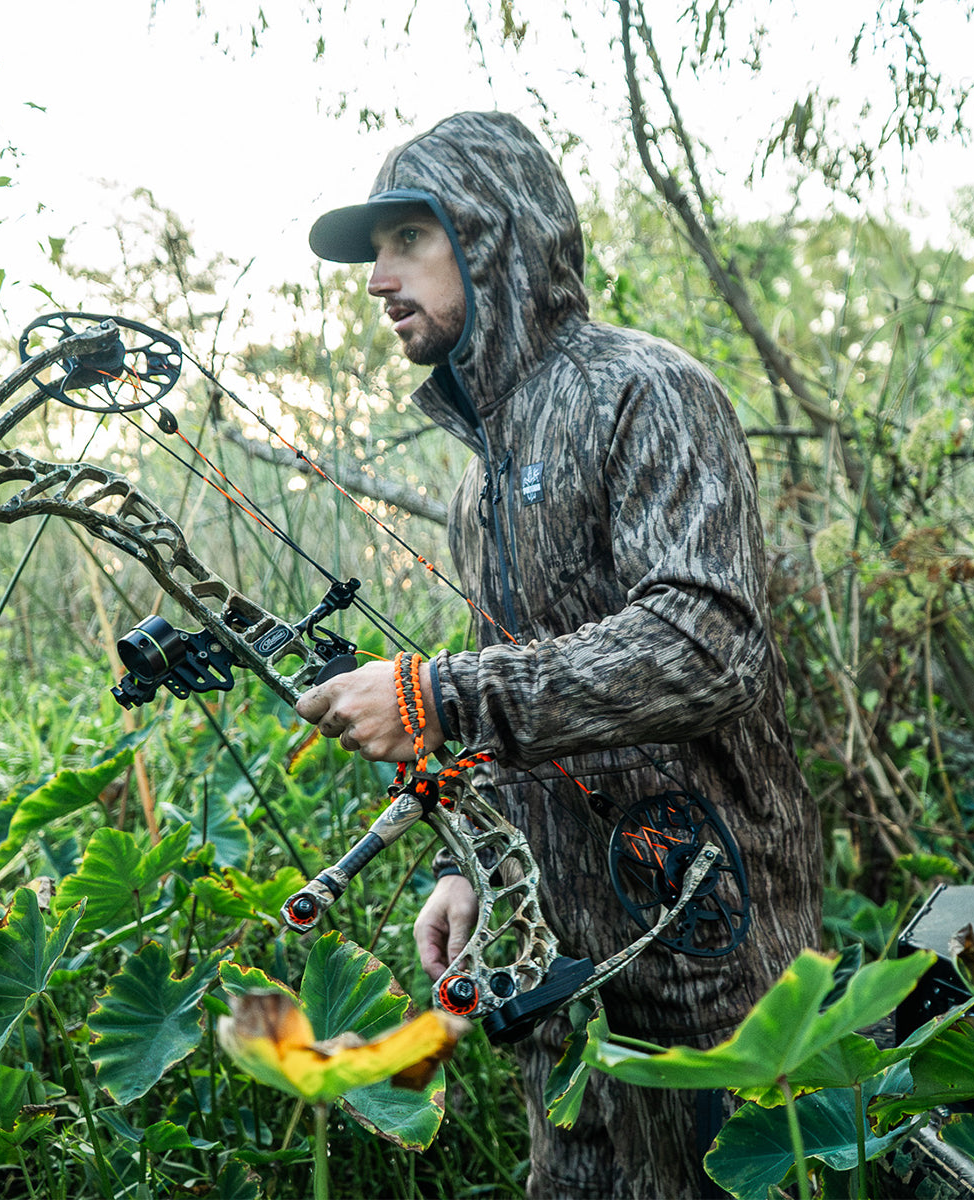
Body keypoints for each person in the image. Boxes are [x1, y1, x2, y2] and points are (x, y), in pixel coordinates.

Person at [296, 111, 821, 1200]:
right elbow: (522, 710)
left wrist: (436, 695)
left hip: (708, 957)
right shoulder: (477, 485)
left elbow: (706, 645)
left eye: (408, 240)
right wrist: (466, 868)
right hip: (558, 973)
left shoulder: (647, 389)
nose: (378, 279)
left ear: (492, 237)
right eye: (377, 251)